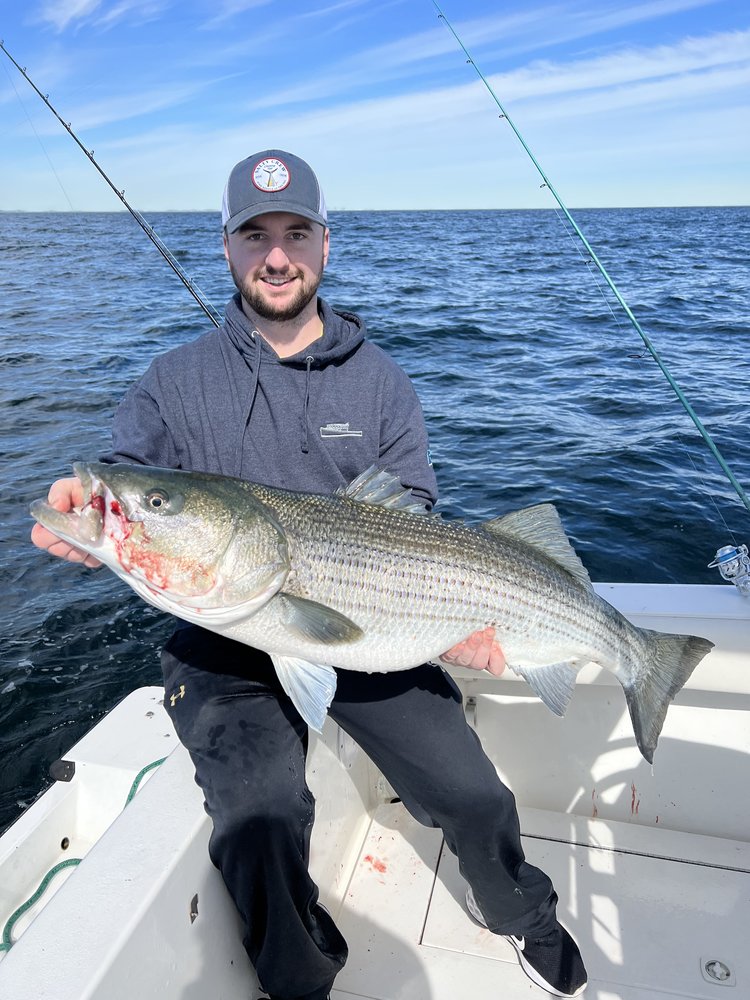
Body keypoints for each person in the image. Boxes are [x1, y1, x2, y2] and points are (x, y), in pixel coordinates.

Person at [31, 150, 587, 1000]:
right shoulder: (173, 382)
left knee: (474, 795)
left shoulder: (383, 384)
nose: (277, 254)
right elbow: (125, 472)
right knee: (262, 821)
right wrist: (91, 503)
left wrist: (467, 624)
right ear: (227, 248)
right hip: (222, 637)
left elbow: (415, 522)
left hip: (369, 628)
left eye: (296, 233)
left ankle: (523, 914)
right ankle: (301, 981)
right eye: (255, 235)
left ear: (324, 244)